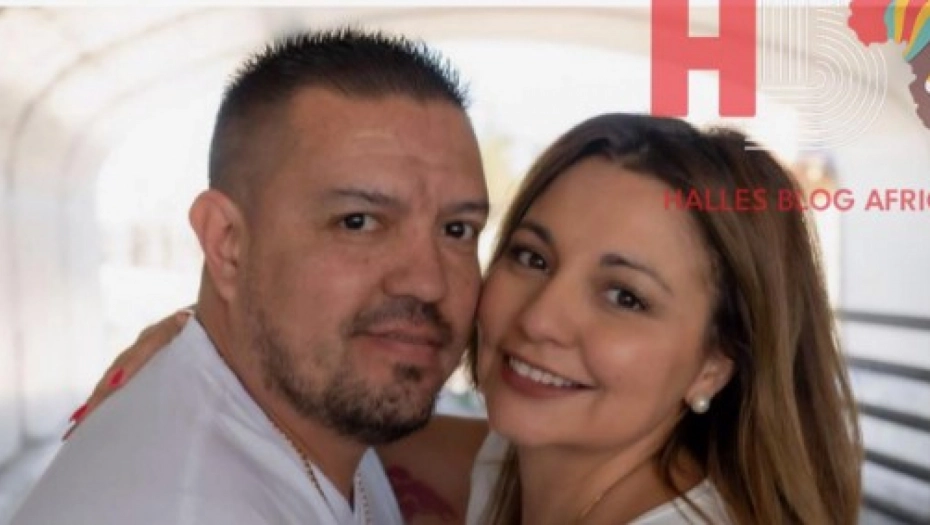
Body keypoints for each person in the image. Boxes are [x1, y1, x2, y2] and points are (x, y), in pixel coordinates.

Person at [65, 114, 864, 524]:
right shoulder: (521, 462)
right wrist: (208, 337)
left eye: (624, 295)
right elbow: (343, 407)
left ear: (713, 363)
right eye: (532, 256)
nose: (541, 318)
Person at [11, 27, 490, 525]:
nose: (428, 283)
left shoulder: (308, 420)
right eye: (357, 222)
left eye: (457, 229)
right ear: (227, 243)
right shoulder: (183, 507)